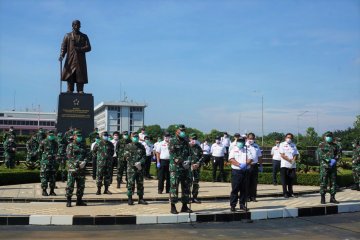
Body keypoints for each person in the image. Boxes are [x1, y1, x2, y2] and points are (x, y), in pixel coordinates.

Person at [59, 20, 91, 93]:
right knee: (70, 75)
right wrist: (61, 55)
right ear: (72, 26)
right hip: (71, 59)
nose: (77, 26)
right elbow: (63, 47)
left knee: (80, 75)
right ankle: (69, 90)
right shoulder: (67, 36)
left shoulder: (84, 36)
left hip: (80, 60)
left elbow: (89, 47)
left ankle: (80, 90)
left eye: (78, 25)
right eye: (75, 25)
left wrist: (80, 49)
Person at [169, 124, 192, 214]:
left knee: (186, 187)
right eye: (181, 130)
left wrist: (189, 161)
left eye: (184, 130)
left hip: (185, 168)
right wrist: (182, 161)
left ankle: (184, 206)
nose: (183, 132)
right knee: (174, 187)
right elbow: (173, 155)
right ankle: (173, 206)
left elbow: (190, 153)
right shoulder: (173, 141)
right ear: (177, 131)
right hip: (175, 168)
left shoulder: (186, 141)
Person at [228, 136, 253, 212]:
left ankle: (242, 205)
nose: (241, 143)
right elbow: (231, 159)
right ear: (237, 142)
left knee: (244, 189)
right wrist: (239, 165)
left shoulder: (247, 150)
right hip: (236, 171)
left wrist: (245, 164)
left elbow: (250, 159)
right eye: (239, 142)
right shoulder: (233, 150)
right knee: (235, 189)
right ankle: (233, 205)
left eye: (242, 142)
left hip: (245, 171)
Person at [124, 132, 148, 205]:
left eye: (137, 137)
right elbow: (127, 157)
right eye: (134, 137)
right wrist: (134, 163)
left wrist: (140, 162)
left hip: (140, 168)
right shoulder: (128, 146)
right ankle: (130, 199)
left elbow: (144, 156)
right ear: (131, 137)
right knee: (130, 184)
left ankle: (140, 199)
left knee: (140, 183)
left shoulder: (141, 146)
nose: (136, 138)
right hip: (131, 168)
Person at [65, 130, 88, 207]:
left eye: (80, 136)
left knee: (81, 185)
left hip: (81, 169)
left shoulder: (83, 145)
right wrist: (78, 163)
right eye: (78, 136)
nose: (79, 137)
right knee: (70, 184)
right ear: (74, 136)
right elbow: (69, 156)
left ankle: (79, 200)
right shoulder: (70, 146)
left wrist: (85, 161)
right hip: (73, 169)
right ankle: (69, 201)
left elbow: (87, 155)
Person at [318, 131, 340, 204]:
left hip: (333, 167)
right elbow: (320, 154)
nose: (329, 137)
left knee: (333, 182)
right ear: (324, 137)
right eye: (327, 136)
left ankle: (332, 198)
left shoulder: (335, 146)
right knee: (323, 182)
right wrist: (329, 160)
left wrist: (335, 159)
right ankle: (323, 197)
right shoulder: (321, 145)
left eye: (330, 136)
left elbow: (339, 154)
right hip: (324, 166)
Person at [38, 130, 59, 196]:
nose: (51, 136)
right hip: (45, 162)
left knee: (53, 177)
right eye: (50, 135)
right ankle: (44, 190)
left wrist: (55, 156)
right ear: (47, 135)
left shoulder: (55, 143)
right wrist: (43, 159)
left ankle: (52, 191)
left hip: (53, 162)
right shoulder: (43, 142)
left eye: (52, 135)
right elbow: (39, 151)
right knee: (44, 176)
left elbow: (56, 151)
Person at [279, 133, 299, 198]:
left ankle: (291, 192)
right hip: (284, 165)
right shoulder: (282, 144)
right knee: (284, 180)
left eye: (290, 138)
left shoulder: (294, 145)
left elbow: (295, 154)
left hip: (292, 165)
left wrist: (293, 160)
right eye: (288, 137)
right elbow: (282, 155)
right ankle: (285, 193)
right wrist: (289, 160)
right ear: (285, 138)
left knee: (291, 179)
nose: (289, 139)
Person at [246, 133, 263, 202]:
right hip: (247, 165)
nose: (251, 140)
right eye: (250, 138)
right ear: (247, 138)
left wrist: (261, 165)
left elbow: (259, 156)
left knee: (254, 182)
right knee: (247, 182)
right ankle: (247, 196)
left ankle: (253, 197)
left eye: (252, 138)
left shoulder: (256, 146)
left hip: (255, 165)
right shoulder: (245, 145)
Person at [189, 133, 203, 203]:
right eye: (192, 139)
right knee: (188, 183)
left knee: (196, 183)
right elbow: (183, 157)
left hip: (196, 168)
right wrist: (190, 164)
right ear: (190, 139)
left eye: (195, 139)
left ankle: (194, 197)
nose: (193, 140)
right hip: (188, 168)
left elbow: (202, 156)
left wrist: (197, 163)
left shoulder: (198, 147)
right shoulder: (187, 147)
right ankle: (187, 198)